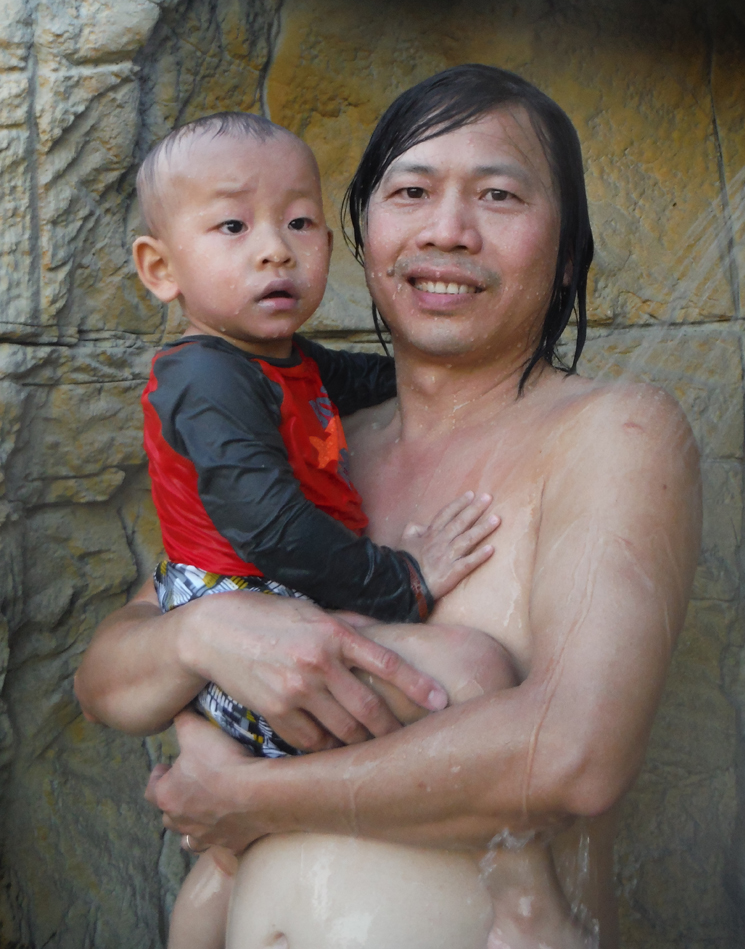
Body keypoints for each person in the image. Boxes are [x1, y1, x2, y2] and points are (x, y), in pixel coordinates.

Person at [75, 64, 701, 949]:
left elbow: (573, 758)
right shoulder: (312, 437)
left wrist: (242, 800)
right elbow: (104, 679)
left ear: (566, 253)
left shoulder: (610, 431)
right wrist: (200, 637)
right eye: (410, 192)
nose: (447, 231)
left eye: (497, 195)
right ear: (363, 236)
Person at [127, 112, 517, 947]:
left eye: (299, 222)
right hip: (243, 610)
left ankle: (235, 821)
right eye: (233, 226)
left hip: (249, 615)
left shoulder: (283, 359)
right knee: (475, 673)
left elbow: (385, 379)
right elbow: (271, 528)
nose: (274, 249)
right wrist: (403, 581)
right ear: (160, 269)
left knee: (233, 858)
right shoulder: (204, 377)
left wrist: (467, 374)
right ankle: (526, 892)